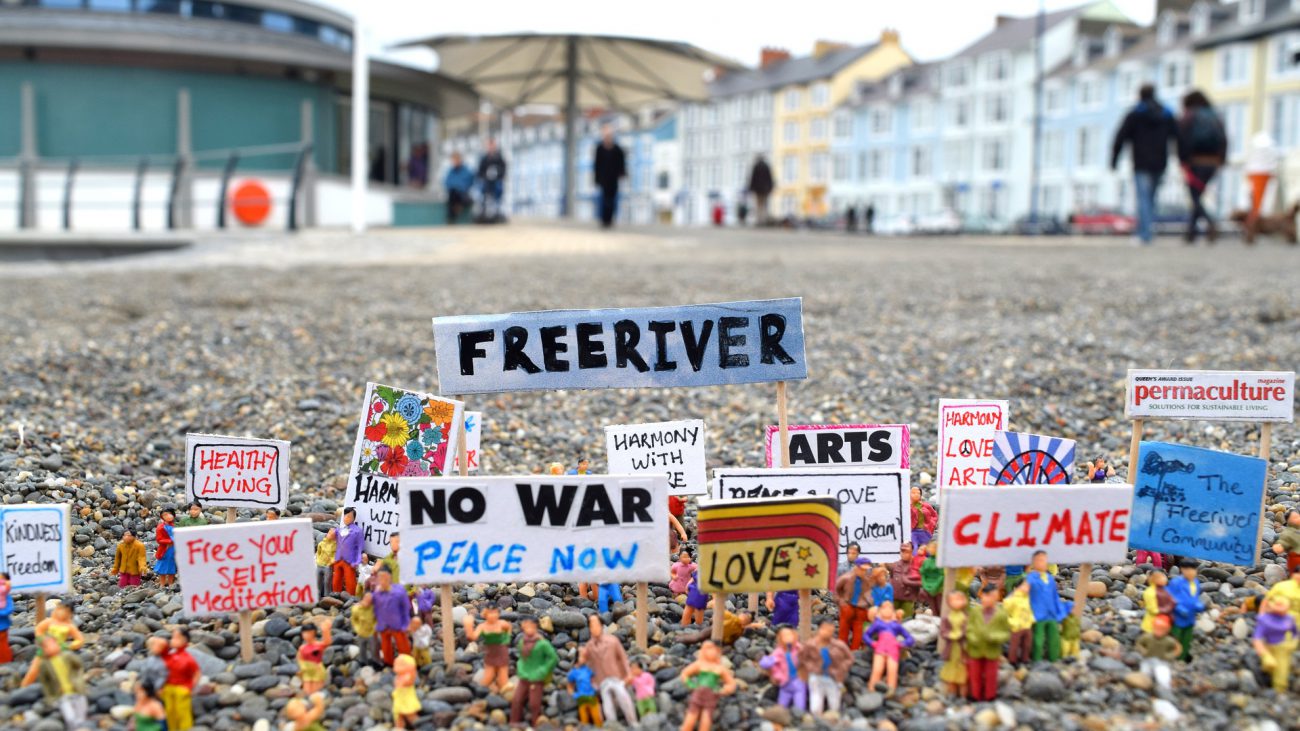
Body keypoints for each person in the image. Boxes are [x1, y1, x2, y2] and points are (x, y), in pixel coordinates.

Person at [1111, 83, 1177, 244]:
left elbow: (1120, 137)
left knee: (1143, 198)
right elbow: (1177, 136)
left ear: (1140, 95)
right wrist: (1181, 158)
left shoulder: (1135, 114)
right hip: (1161, 161)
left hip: (1141, 162)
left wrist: (1114, 160)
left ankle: (1144, 234)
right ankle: (1147, 231)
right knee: (1151, 198)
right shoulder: (1166, 114)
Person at [1176, 90, 1227, 243]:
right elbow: (1224, 138)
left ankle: (1210, 222)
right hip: (1212, 161)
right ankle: (1191, 232)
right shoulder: (1215, 115)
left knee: (1195, 196)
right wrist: (1221, 159)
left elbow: (1181, 139)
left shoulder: (1189, 116)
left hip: (1195, 160)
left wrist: (1182, 160)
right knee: (1197, 195)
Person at [23, 634, 86, 730]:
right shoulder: (44, 663)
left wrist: (78, 677)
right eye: (46, 646)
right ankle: (74, 727)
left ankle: (82, 723)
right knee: (69, 714)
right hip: (61, 693)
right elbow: (44, 680)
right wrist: (50, 694)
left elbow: (78, 665)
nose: (51, 648)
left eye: (52, 644)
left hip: (75, 688)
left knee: (81, 708)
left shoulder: (66, 656)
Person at [584, 615, 637, 725]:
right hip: (602, 681)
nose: (594, 628)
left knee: (624, 698)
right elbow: (588, 666)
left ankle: (633, 722)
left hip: (616, 677)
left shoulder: (612, 641)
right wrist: (592, 683)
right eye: (591, 626)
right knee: (607, 706)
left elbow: (623, 658)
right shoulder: (589, 646)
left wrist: (628, 674)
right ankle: (612, 725)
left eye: (596, 625)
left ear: (601, 626)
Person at [966, 584, 1011, 701]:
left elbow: (1006, 633)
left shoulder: (1001, 614)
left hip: (992, 649)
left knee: (991, 675)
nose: (988, 599)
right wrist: (972, 638)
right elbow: (968, 628)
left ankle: (990, 695)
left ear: (997, 597)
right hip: (976, 649)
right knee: (974, 674)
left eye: (992, 596)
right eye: (986, 596)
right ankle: (975, 694)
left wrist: (995, 637)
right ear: (981, 596)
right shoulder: (975, 611)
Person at [799, 620, 852, 715]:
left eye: (831, 631)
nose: (828, 633)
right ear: (820, 630)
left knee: (834, 702)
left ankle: (832, 717)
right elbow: (802, 657)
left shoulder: (838, 645)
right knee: (816, 701)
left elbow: (849, 658)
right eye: (825, 630)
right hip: (816, 676)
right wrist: (810, 667)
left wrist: (842, 667)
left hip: (833, 677)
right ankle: (816, 718)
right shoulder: (811, 644)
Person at [511, 616, 557, 726]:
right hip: (524, 676)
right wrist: (520, 668)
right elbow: (521, 658)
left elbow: (553, 658)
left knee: (534, 703)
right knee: (517, 700)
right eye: (525, 626)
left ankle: (535, 723)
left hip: (536, 677)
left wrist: (543, 669)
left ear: (536, 626)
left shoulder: (542, 644)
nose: (528, 628)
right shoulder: (522, 642)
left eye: (530, 626)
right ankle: (513, 722)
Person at [680, 641, 736, 731]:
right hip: (698, 692)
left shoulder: (719, 668)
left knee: (706, 718)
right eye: (709, 649)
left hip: (711, 695)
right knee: (691, 716)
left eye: (714, 649)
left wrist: (723, 690)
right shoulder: (699, 664)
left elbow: (731, 683)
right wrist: (690, 684)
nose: (712, 652)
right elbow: (685, 673)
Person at [1026, 551, 1072, 662]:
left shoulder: (1049, 578)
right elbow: (1023, 592)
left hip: (1051, 612)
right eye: (1039, 561)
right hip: (1038, 613)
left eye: (1044, 560)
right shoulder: (1031, 578)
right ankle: (1036, 658)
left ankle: (1054, 656)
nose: (1042, 563)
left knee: (1054, 635)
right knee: (1038, 637)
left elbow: (1054, 595)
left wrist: (1059, 608)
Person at [864, 601, 915, 697]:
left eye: (890, 608)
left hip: (893, 650)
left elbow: (910, 639)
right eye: (884, 608)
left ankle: (891, 691)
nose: (887, 610)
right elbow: (866, 636)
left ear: (893, 611)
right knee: (877, 670)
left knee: (892, 671)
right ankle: (871, 689)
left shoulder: (896, 625)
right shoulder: (878, 624)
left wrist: (901, 644)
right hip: (880, 649)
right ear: (880, 611)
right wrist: (872, 643)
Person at [1253, 595, 1298, 692]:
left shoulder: (1289, 619)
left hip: (1283, 648)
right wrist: (1264, 654)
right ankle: (1266, 674)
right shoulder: (1265, 620)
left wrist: (1293, 644)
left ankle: (1279, 689)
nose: (1279, 605)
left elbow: (1295, 633)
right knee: (1269, 665)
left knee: (1281, 672)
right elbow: (1257, 638)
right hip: (1268, 645)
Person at [462, 606, 510, 691]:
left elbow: (508, 627)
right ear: (485, 614)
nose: (493, 615)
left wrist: (506, 638)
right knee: (488, 676)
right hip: (490, 652)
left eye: (495, 612)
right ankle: (482, 692)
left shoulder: (502, 623)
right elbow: (472, 637)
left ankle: (502, 687)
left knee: (503, 675)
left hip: (501, 651)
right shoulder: (482, 626)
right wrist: (468, 626)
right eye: (490, 613)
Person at [759, 626, 806, 711]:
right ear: (780, 638)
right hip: (785, 682)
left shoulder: (799, 648)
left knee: (800, 705)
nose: (788, 638)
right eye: (785, 636)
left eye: (789, 635)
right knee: (782, 705)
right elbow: (765, 663)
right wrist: (777, 674)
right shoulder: (778, 652)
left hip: (798, 682)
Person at [372, 567, 412, 667]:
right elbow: (375, 608)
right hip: (383, 623)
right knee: (385, 645)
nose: (382, 581)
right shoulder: (377, 593)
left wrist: (406, 623)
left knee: (402, 643)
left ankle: (407, 661)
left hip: (397, 623)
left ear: (390, 578)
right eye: (380, 578)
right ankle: (388, 662)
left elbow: (406, 608)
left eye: (384, 578)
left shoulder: (399, 591)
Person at [161, 628, 199, 731]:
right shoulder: (170, 656)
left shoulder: (188, 658)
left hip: (182, 688)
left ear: (184, 641)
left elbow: (196, 673)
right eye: (173, 637)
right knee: (170, 712)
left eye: (176, 638)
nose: (172, 640)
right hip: (168, 688)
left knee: (183, 712)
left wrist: (190, 688)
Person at [1168, 558, 1205, 661]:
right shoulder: (1176, 582)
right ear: (1182, 570)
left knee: (1187, 638)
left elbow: (1195, 597)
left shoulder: (1196, 583)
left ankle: (1183, 657)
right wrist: (1178, 608)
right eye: (1188, 569)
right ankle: (1172, 657)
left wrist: (1198, 605)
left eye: (1194, 569)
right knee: (1176, 637)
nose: (1192, 572)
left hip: (1190, 616)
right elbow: (1170, 598)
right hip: (1178, 617)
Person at [834, 557, 873, 650]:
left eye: (866, 570)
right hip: (847, 607)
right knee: (843, 630)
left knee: (858, 631)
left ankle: (855, 651)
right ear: (856, 567)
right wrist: (841, 602)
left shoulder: (866, 580)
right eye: (862, 569)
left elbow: (869, 593)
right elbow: (835, 590)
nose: (864, 572)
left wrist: (868, 604)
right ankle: (841, 649)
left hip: (860, 608)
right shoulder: (846, 578)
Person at [1245, 131, 1280, 231]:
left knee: (1258, 203)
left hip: (1256, 171)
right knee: (1259, 203)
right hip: (1262, 172)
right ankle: (1255, 223)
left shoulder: (1258, 146)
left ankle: (1255, 224)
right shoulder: (1267, 146)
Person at [1137, 614, 1181, 694]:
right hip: (1148, 659)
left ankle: (1165, 690)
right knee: (1144, 673)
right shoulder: (1148, 637)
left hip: (1162, 661)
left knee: (1163, 677)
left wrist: (1170, 655)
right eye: (1156, 628)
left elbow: (1178, 648)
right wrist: (1143, 651)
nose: (1158, 631)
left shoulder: (1169, 640)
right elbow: (1139, 643)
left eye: (1162, 629)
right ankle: (1142, 687)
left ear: (1167, 629)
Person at [593, 125, 627, 229]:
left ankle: (610, 219)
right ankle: (604, 220)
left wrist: (622, 174)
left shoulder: (617, 149)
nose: (607, 138)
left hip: (614, 179)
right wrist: (597, 178)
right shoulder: (599, 149)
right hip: (604, 179)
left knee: (612, 200)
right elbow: (597, 165)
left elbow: (622, 164)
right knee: (604, 200)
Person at [938, 592, 969, 697]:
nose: (957, 602)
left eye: (960, 599)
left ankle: (963, 694)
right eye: (954, 600)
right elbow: (943, 631)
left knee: (963, 671)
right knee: (951, 671)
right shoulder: (947, 617)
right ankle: (952, 693)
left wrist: (963, 633)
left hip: (963, 647)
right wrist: (951, 635)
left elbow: (969, 629)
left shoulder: (965, 616)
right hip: (952, 647)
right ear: (949, 602)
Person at [332, 508, 364, 595]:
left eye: (349, 516)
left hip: (349, 560)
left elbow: (360, 548)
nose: (346, 518)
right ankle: (336, 594)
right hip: (338, 558)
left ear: (354, 518)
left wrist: (357, 561)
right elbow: (333, 543)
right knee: (336, 579)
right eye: (345, 516)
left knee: (350, 580)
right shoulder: (339, 530)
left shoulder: (357, 531)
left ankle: (351, 596)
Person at [567, 649, 603, 726]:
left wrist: (597, 689)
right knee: (584, 719)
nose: (585, 658)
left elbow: (595, 680)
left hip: (592, 697)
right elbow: (570, 686)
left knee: (597, 718)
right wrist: (574, 695)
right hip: (581, 698)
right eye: (582, 656)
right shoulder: (573, 672)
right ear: (577, 657)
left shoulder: (589, 669)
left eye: (585, 657)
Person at [296, 617, 331, 695]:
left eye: (309, 633)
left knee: (317, 688)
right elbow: (299, 658)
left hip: (317, 669)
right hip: (307, 670)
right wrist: (301, 667)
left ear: (314, 633)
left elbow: (327, 642)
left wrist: (325, 630)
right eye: (304, 633)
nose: (306, 635)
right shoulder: (302, 647)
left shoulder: (318, 645)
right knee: (307, 688)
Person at [1004, 579, 1034, 666]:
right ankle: (1012, 660)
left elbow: (1030, 610)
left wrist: (1031, 619)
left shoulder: (1028, 598)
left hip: (1027, 625)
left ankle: (1025, 659)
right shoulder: (1011, 599)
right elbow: (1005, 612)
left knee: (1027, 643)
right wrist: (1012, 622)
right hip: (1016, 626)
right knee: (1014, 644)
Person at [477, 139, 507, 221]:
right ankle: (483, 211)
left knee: (498, 189)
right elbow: (479, 172)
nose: (491, 147)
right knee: (483, 191)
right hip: (486, 182)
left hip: (496, 181)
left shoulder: (499, 158)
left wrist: (497, 175)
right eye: (489, 146)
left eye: (492, 145)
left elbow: (503, 170)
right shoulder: (484, 159)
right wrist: (485, 176)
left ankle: (497, 211)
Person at [891, 543, 923, 619]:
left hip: (909, 597)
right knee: (892, 617)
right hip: (895, 596)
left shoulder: (917, 564)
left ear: (911, 551)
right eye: (902, 552)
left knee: (906, 619)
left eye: (906, 552)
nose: (903, 554)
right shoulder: (896, 564)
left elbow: (921, 581)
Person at [444, 152, 475, 223]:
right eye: (453, 160)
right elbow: (447, 183)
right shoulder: (450, 171)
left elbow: (468, 183)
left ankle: (452, 216)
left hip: (464, 194)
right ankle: (451, 217)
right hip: (453, 194)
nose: (455, 162)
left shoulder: (466, 171)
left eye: (456, 160)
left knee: (456, 195)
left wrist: (458, 187)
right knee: (452, 194)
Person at [391, 654, 419, 729]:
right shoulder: (398, 676)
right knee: (397, 714)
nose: (395, 666)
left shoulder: (408, 676)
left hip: (406, 697)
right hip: (399, 697)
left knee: (410, 713)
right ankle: (399, 727)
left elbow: (409, 681)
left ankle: (417, 726)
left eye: (398, 664)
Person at [1142, 570, 1174, 634]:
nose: (1164, 578)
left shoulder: (1163, 589)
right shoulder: (1150, 592)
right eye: (1160, 577)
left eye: (1163, 576)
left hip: (1163, 620)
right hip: (1153, 622)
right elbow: (1152, 609)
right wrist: (1166, 609)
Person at [350, 592, 378, 667]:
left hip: (370, 632)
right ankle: (362, 661)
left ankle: (374, 660)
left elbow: (376, 619)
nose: (368, 601)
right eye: (367, 599)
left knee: (373, 647)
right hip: (361, 632)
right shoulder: (356, 608)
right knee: (362, 647)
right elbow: (353, 620)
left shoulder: (373, 608)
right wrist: (357, 628)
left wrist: (374, 627)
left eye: (370, 600)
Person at [747, 155, 774, 226]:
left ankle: (759, 220)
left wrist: (751, 188)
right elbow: (770, 178)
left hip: (758, 189)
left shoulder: (756, 166)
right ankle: (764, 220)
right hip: (765, 189)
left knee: (759, 205)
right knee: (765, 204)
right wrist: (770, 187)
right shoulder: (766, 166)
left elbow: (753, 178)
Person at [154, 509, 177, 588]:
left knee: (172, 566)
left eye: (169, 514)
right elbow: (159, 539)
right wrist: (169, 541)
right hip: (165, 549)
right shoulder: (160, 527)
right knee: (162, 567)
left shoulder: (175, 526)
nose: (168, 516)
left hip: (174, 549)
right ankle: (162, 584)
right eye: (165, 515)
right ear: (162, 517)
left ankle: (171, 583)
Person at [1273, 510, 1300, 574]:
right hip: (1295, 556)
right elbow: (1284, 541)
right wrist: (1280, 546)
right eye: (1295, 518)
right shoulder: (1288, 532)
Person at [314, 529, 336, 600]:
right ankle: (317, 594)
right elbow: (318, 552)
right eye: (329, 533)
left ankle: (327, 596)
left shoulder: (335, 545)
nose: (330, 535)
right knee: (318, 580)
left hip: (327, 566)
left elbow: (335, 555)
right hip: (319, 564)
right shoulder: (321, 543)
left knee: (327, 581)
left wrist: (332, 561)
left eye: (332, 535)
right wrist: (317, 560)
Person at [0, 573, 11, 663]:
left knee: (2, 644)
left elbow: (9, 609)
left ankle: (5, 661)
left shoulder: (6, 597)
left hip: (2, 625)